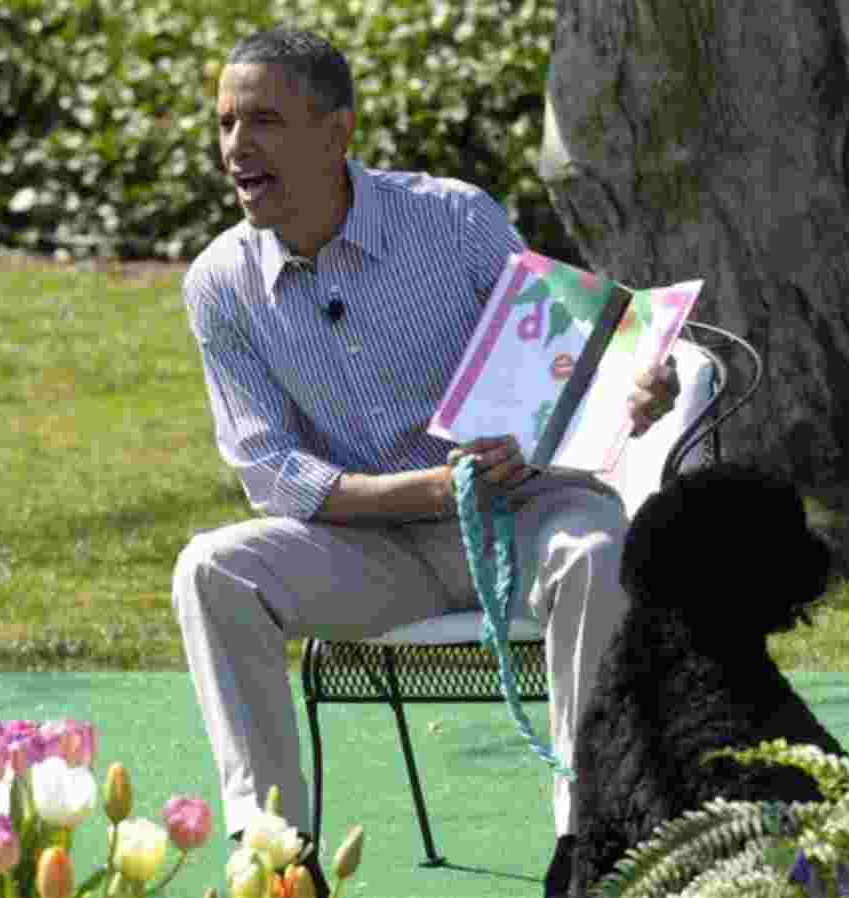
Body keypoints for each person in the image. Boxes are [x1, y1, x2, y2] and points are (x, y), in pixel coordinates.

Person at [171, 26, 680, 898]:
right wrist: (427, 490)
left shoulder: (453, 217)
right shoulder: (219, 282)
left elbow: (565, 346)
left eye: (262, 121)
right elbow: (271, 472)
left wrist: (640, 385)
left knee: (597, 552)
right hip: (373, 545)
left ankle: (587, 847)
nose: (235, 148)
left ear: (338, 133)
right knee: (211, 569)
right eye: (224, 123)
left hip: (526, 518)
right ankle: (276, 859)